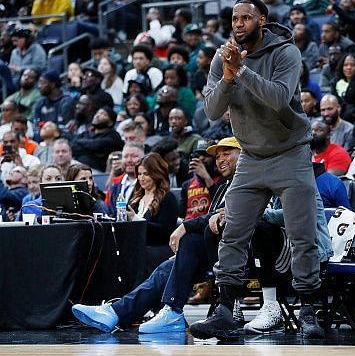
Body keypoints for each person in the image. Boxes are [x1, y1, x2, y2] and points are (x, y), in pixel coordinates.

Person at [193, 0, 325, 340]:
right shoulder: (224, 58)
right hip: (251, 156)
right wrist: (226, 75)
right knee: (233, 231)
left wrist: (243, 71)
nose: (239, 24)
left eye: (246, 18)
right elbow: (211, 110)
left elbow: (279, 98)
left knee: (302, 235)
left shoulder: (286, 52)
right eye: (235, 18)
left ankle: (309, 308)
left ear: (261, 21)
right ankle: (225, 309)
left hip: (291, 153)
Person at [71, 138, 241, 334]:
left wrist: (184, 226)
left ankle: (170, 311)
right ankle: (116, 312)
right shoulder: (223, 185)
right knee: (164, 268)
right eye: (218, 156)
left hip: (236, 250)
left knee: (186, 241)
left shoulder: (245, 184)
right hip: (211, 248)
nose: (220, 160)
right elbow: (213, 218)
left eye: (226, 154)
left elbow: (174, 227)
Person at [127, 152, 178, 247]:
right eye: (139, 174)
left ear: (156, 174)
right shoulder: (135, 199)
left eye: (146, 174)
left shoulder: (168, 198)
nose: (141, 178)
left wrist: (136, 220)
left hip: (155, 251)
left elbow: (165, 231)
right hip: (133, 248)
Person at [70, 107, 124, 172]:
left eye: (103, 114)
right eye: (97, 113)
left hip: (98, 172)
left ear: (110, 123)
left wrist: (81, 144)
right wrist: (92, 151)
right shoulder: (86, 133)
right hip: (77, 166)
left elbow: (96, 145)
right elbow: (72, 147)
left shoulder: (113, 136)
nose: (97, 116)